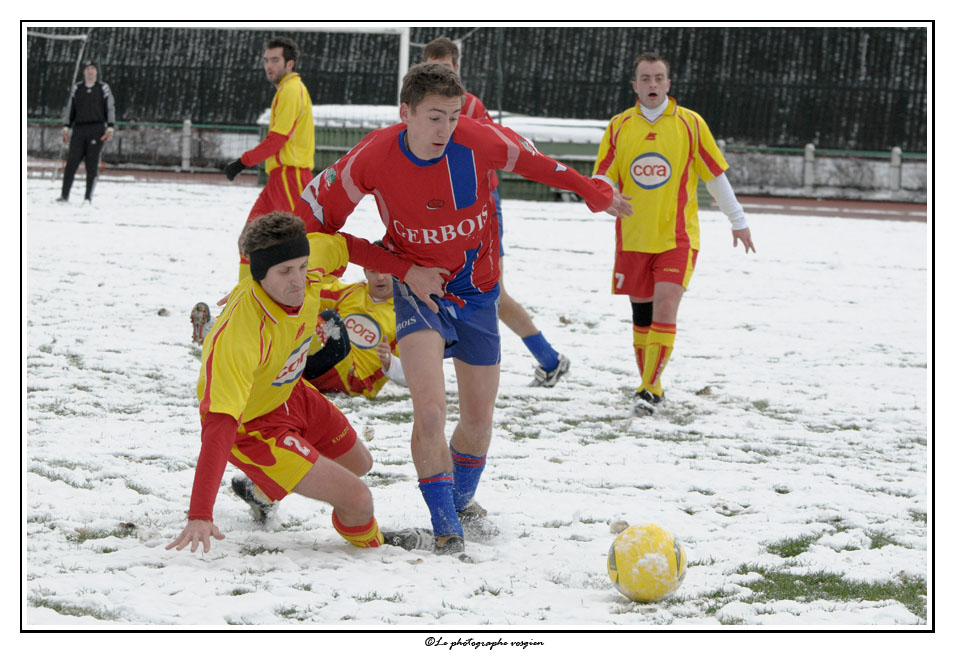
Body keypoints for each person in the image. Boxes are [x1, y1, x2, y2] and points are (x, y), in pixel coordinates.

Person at [300, 62, 632, 558]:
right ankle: (446, 531)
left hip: (478, 292)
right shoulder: (371, 157)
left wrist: (593, 192)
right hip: (418, 290)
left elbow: (540, 165)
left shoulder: (479, 139)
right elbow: (311, 225)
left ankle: (458, 503)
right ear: (405, 113)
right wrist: (400, 268)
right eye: (434, 117)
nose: (445, 129)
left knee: (478, 420)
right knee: (430, 413)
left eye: (453, 116)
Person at [167, 211, 446, 554]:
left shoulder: (307, 262)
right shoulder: (239, 335)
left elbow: (346, 247)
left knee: (361, 464)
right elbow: (219, 425)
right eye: (285, 272)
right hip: (254, 429)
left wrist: (408, 272)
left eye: (302, 266)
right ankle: (379, 544)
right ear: (258, 274)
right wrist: (199, 513)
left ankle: (258, 491)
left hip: (292, 393)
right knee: (359, 499)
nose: (299, 279)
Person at [593, 52, 756, 417]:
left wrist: (738, 219)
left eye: (659, 77)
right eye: (645, 78)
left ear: (669, 83)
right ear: (635, 85)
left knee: (666, 302)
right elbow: (603, 174)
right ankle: (652, 384)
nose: (652, 84)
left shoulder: (690, 124)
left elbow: (715, 175)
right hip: (633, 236)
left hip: (677, 237)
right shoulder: (619, 125)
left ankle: (648, 389)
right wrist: (604, 197)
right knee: (642, 314)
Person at [422, 36, 570, 387]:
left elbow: (492, 159)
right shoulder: (420, 108)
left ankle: (548, 359)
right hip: (440, 216)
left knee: (492, 293)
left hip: (479, 211)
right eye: (432, 69)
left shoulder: (470, 107)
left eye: (444, 69)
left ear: (457, 69)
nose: (439, 76)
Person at [223, 37, 317, 239]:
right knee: (249, 241)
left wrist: (242, 162)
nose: (268, 66)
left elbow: (277, 140)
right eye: (266, 60)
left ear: (289, 64)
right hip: (278, 178)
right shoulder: (287, 90)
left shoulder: (291, 90)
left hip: (290, 177)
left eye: (275, 60)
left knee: (297, 245)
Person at [304, 253, 408, 398]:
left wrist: (389, 362)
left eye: (386, 271)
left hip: (355, 382)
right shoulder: (352, 292)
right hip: (328, 364)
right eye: (373, 271)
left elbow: (413, 374)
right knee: (305, 312)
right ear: (365, 272)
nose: (380, 277)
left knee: (330, 319)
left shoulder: (404, 316)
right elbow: (308, 292)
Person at [57, 60, 115, 204]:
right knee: (71, 163)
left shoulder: (103, 88)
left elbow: (110, 108)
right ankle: (64, 196)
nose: (90, 71)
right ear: (84, 71)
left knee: (91, 164)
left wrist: (110, 127)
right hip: (79, 129)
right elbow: (71, 108)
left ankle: (88, 198)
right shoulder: (77, 88)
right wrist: (66, 126)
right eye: (87, 68)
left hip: (96, 129)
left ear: (96, 71)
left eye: (93, 68)